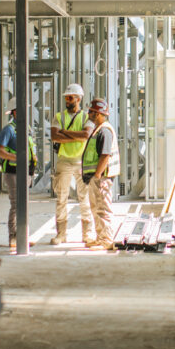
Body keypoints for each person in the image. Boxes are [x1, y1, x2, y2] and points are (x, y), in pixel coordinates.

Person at [49, 83, 95, 245]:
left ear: (79, 98)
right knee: (61, 198)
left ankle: (87, 233)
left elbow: (86, 135)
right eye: (66, 98)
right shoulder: (58, 117)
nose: (67, 101)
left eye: (70, 98)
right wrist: (74, 135)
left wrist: (65, 133)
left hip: (81, 162)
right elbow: (55, 136)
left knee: (85, 198)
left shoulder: (86, 117)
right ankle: (61, 234)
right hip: (64, 161)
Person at [0, 96, 37, 250]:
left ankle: (22, 237)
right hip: (13, 172)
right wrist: (15, 157)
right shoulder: (9, 129)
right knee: (16, 205)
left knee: (23, 205)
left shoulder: (27, 128)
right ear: (14, 112)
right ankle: (14, 238)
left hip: (25, 172)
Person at [82, 98, 121, 251]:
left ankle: (106, 240)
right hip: (96, 177)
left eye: (91, 111)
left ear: (98, 113)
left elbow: (105, 155)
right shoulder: (98, 129)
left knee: (102, 209)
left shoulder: (104, 131)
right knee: (96, 208)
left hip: (101, 177)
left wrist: (97, 174)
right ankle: (100, 238)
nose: (89, 113)